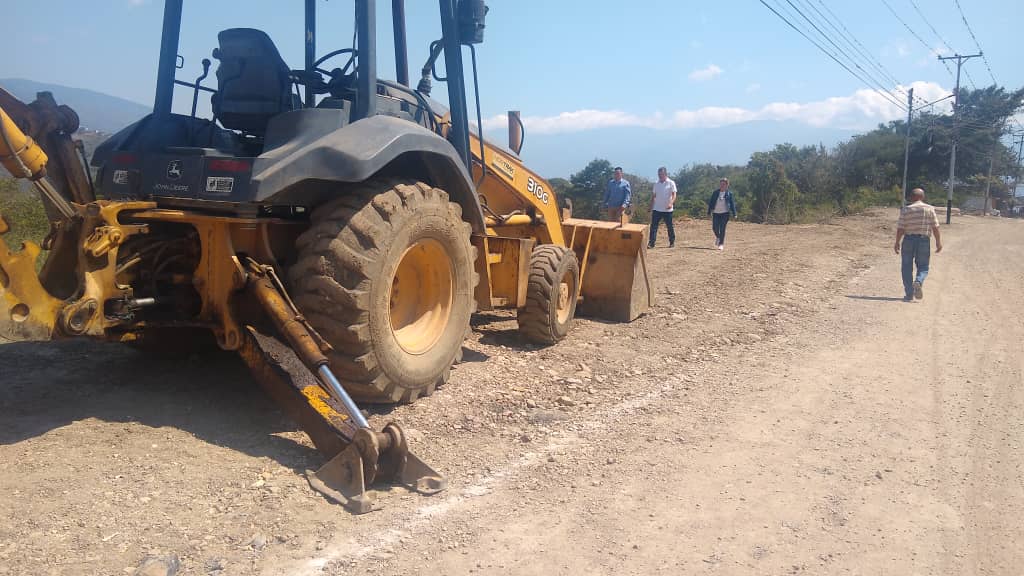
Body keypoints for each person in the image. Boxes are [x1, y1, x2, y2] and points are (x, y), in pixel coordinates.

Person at [894, 187, 942, 302]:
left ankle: (909, 294)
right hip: (924, 240)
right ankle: (918, 281)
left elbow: (901, 228)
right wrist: (938, 242)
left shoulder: (906, 209)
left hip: (908, 240)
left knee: (906, 267)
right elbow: (935, 227)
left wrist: (897, 242)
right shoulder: (930, 209)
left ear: (912, 197)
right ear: (923, 197)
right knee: (923, 266)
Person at [649, 167, 677, 248]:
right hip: (657, 208)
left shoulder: (671, 183)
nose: (660, 176)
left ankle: (672, 242)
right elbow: (654, 196)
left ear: (665, 174)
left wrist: (671, 203)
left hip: (667, 210)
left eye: (661, 174)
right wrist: (650, 206)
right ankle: (651, 243)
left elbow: (674, 195)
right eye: (659, 174)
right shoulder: (656, 183)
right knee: (653, 226)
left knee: (669, 226)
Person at [706, 177, 737, 250]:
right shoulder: (715, 193)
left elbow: (732, 204)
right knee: (715, 228)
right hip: (716, 213)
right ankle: (718, 237)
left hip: (725, 213)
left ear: (727, 185)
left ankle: (721, 244)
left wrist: (734, 213)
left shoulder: (729, 194)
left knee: (722, 228)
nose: (722, 186)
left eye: (723, 184)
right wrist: (708, 212)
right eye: (721, 184)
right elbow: (711, 203)